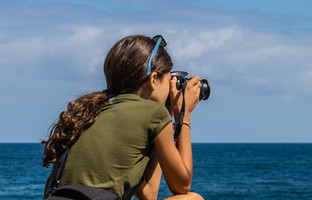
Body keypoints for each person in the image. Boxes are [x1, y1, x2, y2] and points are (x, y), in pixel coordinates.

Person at [42, 35, 204, 200]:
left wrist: (165, 116)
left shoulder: (90, 114)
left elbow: (149, 193)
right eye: (169, 80)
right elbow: (182, 185)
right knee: (192, 199)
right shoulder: (153, 113)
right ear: (154, 79)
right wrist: (184, 115)